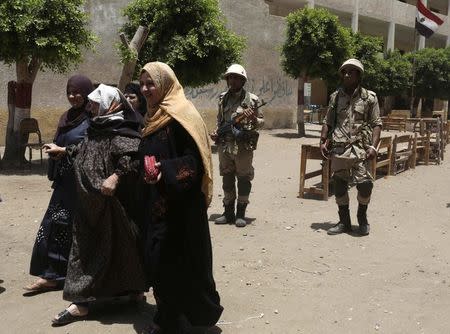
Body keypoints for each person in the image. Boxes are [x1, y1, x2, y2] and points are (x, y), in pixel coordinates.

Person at [46, 84, 146, 326]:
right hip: (88, 203)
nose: (89, 107)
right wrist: (63, 150)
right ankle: (85, 301)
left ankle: (86, 302)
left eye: (93, 103)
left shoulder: (121, 130)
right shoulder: (96, 127)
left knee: (116, 249)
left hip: (111, 207)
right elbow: (84, 149)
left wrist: (116, 176)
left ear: (109, 104)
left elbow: (133, 157)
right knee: (88, 249)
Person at [138, 61, 223, 334]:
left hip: (183, 209)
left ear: (165, 84)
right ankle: (171, 315)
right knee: (158, 260)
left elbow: (194, 162)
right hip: (158, 204)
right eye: (143, 83)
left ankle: (174, 320)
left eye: (151, 83)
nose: (146, 88)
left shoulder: (183, 115)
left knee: (180, 262)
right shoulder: (151, 116)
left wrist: (167, 170)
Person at [25, 75, 93, 293]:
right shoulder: (67, 117)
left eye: (77, 92)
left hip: (84, 185)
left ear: (86, 92)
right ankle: (52, 274)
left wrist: (64, 151)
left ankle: (78, 276)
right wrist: (56, 150)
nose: (73, 96)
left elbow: (94, 147)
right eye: (69, 92)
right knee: (55, 226)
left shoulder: (93, 117)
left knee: (81, 229)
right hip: (65, 182)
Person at [320, 58, 382, 236]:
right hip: (339, 148)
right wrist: (323, 139)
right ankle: (344, 222)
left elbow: (377, 123)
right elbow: (328, 121)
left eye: (351, 71)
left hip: (361, 149)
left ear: (359, 75)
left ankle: (362, 217)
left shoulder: (370, 97)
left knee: (365, 186)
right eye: (344, 72)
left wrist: (374, 147)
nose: (346, 74)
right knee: (339, 186)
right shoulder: (335, 96)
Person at [210, 64, 264, 227]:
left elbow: (261, 123)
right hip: (225, 144)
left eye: (236, 78)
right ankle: (228, 213)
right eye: (230, 78)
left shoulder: (252, 100)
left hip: (243, 146)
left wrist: (254, 118)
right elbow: (220, 120)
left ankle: (241, 213)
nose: (232, 81)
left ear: (243, 80)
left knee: (243, 178)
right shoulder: (222, 98)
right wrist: (216, 132)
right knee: (227, 178)